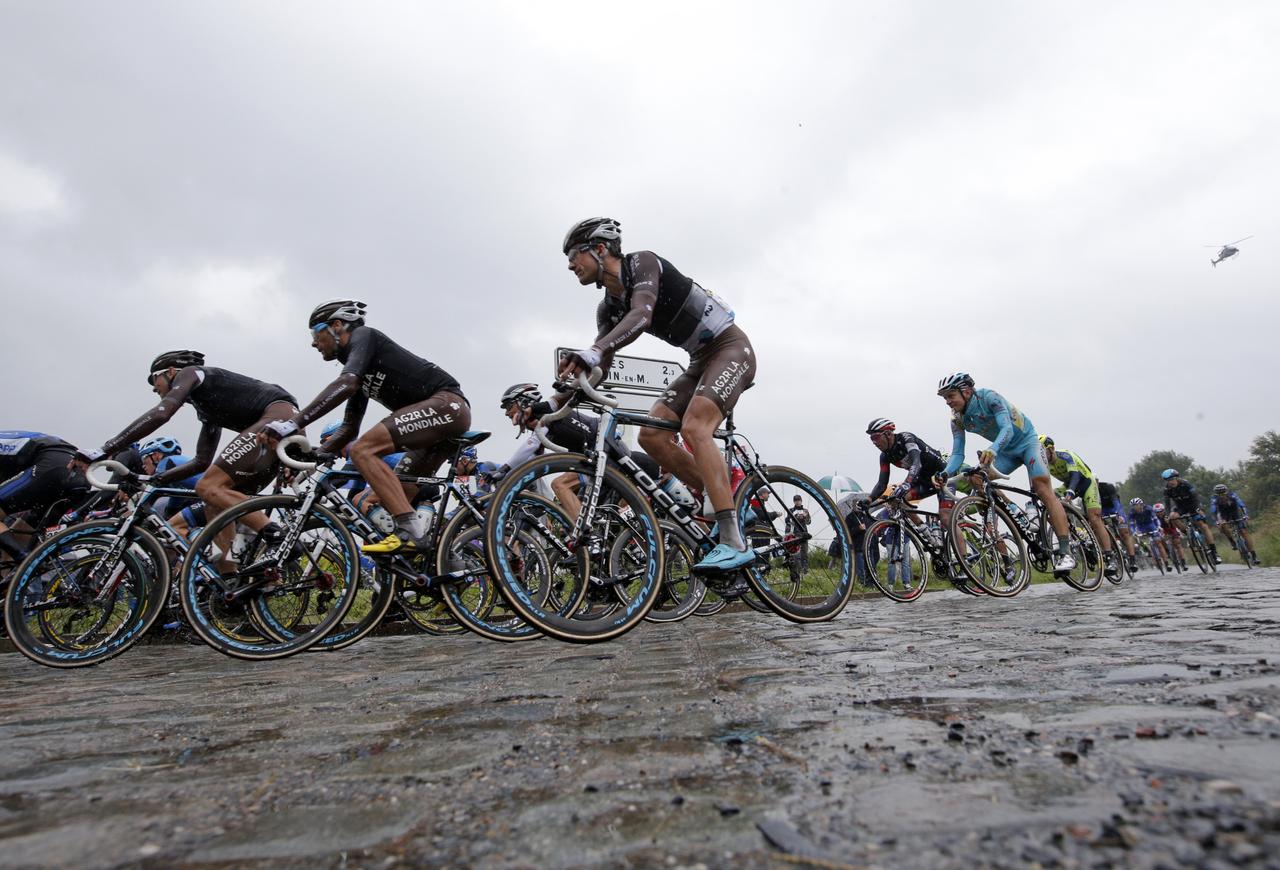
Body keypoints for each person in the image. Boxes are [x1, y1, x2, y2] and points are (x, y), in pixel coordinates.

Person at [555, 217, 758, 572]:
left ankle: (733, 538)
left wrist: (592, 349)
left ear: (600, 249)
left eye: (574, 255)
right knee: (652, 434)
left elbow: (642, 314)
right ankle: (720, 494)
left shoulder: (643, 263)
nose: (571, 264)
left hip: (730, 348)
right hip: (698, 361)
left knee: (695, 427)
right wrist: (558, 402)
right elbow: (601, 363)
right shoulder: (607, 308)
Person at [261, 300, 469, 554]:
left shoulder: (364, 336)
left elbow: (347, 383)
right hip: (432, 431)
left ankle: (411, 534)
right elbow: (349, 429)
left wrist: (294, 423)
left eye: (316, 333)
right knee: (388, 498)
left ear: (336, 326)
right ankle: (445, 559)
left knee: (362, 451)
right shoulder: (360, 369)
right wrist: (316, 455)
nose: (313, 343)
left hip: (447, 405)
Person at [71, 350, 299, 555]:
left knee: (208, 486)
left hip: (277, 420)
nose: (153, 387)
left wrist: (105, 449)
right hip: (274, 433)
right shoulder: (207, 407)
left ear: (171, 372)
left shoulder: (191, 373)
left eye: (154, 379)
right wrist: (155, 479)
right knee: (214, 500)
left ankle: (278, 536)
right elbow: (201, 461)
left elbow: (162, 413)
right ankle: (229, 579)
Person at [933, 373, 1076, 573]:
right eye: (945, 398)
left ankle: (1065, 551)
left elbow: (1007, 428)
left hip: (1027, 443)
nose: (948, 402)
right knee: (976, 479)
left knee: (1042, 489)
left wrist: (993, 449)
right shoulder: (956, 419)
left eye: (950, 396)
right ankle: (1011, 515)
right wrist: (945, 474)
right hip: (1006, 452)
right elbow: (957, 452)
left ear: (965, 391)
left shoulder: (989, 397)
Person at [494, 382, 662, 522]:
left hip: (607, 452)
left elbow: (529, 447)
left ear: (524, 402)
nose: (507, 412)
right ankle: (592, 543)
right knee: (578, 508)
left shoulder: (546, 416)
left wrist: (505, 469)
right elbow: (532, 462)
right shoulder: (541, 432)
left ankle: (586, 539)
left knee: (560, 485)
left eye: (509, 406)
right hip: (596, 457)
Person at [0, 431, 89, 563]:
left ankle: (26, 560)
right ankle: (25, 569)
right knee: (15, 548)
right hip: (77, 472)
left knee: (20, 553)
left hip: (53, 464)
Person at [1039, 435, 1120, 579]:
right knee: (1050, 507)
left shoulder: (1065, 455)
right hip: (1067, 484)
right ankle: (1068, 534)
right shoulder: (1044, 464)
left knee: (1094, 518)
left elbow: (1075, 476)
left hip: (1086, 483)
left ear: (1051, 449)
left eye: (1043, 451)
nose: (1041, 455)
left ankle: (1109, 556)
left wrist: (1070, 492)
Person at [865, 418, 953, 543]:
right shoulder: (885, 456)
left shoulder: (906, 438)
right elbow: (881, 484)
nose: (874, 442)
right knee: (896, 500)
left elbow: (917, 464)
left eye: (876, 437)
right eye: (871, 438)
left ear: (888, 433)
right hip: (923, 480)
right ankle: (927, 534)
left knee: (945, 516)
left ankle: (963, 557)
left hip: (942, 477)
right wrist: (868, 500)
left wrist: (907, 483)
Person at [1161, 469, 1222, 564]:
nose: (1170, 482)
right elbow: (1167, 504)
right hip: (1180, 507)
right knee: (1173, 516)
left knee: (1203, 526)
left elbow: (1195, 497)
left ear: (1176, 478)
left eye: (1172, 479)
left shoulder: (1185, 484)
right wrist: (1167, 515)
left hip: (1193, 505)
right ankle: (1187, 533)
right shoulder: (1167, 490)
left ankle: (1214, 553)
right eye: (1168, 480)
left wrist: (1198, 509)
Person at [1210, 483, 1259, 566]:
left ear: (1227, 491)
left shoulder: (1233, 495)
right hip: (1224, 515)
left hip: (1235, 513)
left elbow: (1242, 505)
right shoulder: (1215, 499)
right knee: (1223, 526)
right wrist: (1218, 521)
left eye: (1223, 493)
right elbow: (1214, 511)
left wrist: (1245, 515)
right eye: (1219, 494)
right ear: (1216, 494)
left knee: (1244, 532)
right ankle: (1232, 541)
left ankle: (1254, 556)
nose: (1222, 495)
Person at [1097, 480, 1138, 573]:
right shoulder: (1087, 490)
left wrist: (1119, 515)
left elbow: (1116, 502)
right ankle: (1111, 553)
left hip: (1114, 508)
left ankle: (1132, 560)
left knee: (1124, 533)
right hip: (1101, 510)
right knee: (1098, 530)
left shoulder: (1108, 487)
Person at [1127, 497, 1171, 572]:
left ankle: (1167, 563)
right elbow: (1131, 524)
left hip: (1151, 525)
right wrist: (1134, 531)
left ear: (1141, 504)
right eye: (1133, 506)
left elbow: (1155, 519)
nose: (1135, 507)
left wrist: (1158, 527)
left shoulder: (1148, 509)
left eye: (1136, 505)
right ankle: (1146, 550)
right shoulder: (1132, 512)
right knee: (1139, 540)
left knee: (1159, 543)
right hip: (1141, 527)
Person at [1153, 502, 1187, 571]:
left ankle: (1183, 563)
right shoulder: (1154, 518)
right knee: (1160, 540)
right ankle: (1167, 552)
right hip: (1162, 531)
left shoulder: (1167, 514)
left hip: (1171, 529)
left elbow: (1174, 524)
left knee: (1178, 544)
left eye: (1161, 511)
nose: (1159, 513)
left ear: (1164, 510)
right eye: (1157, 512)